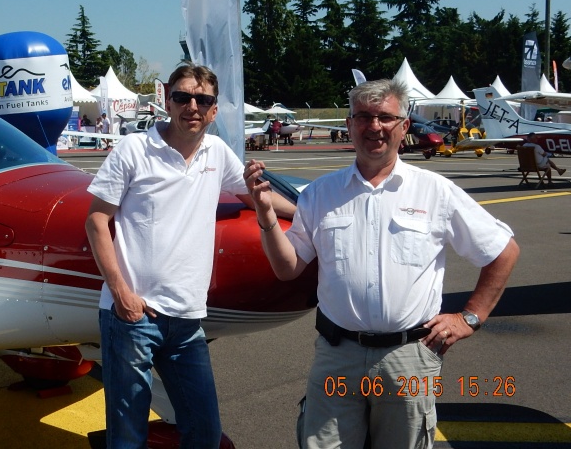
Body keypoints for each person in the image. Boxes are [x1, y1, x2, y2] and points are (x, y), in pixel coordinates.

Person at [244, 79, 520, 449]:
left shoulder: (435, 190)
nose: (374, 126)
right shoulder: (321, 193)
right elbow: (288, 268)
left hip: (409, 357)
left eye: (386, 118)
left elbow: (503, 250)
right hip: (338, 355)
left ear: (404, 127)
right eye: (363, 117)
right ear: (349, 125)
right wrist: (266, 214)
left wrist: (470, 316)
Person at [86, 63, 294, 448]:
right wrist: (121, 293)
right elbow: (97, 220)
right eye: (182, 97)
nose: (192, 106)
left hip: (187, 319)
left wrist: (305, 216)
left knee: (204, 432)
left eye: (203, 100)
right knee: (127, 436)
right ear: (168, 101)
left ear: (214, 110)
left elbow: (254, 196)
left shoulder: (217, 152)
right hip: (133, 316)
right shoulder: (134, 149)